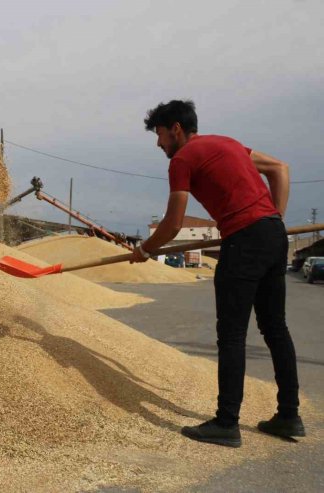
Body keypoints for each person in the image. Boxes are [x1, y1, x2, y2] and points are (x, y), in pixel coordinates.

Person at [134, 100, 305, 448]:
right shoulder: (229, 144)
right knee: (275, 327)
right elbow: (280, 168)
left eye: (160, 135)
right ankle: (289, 415)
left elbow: (173, 223)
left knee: (231, 335)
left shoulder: (182, 160)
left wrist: (146, 248)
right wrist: (274, 217)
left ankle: (226, 423)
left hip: (244, 240)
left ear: (176, 130)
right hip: (273, 236)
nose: (159, 144)